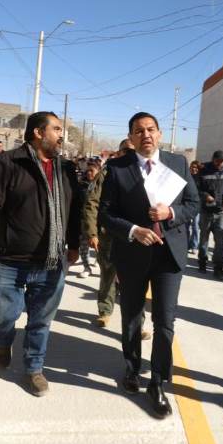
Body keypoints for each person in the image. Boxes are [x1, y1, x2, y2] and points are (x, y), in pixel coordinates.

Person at [0, 111, 81, 397]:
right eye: (56, 129)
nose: (61, 135)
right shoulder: (8, 162)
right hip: (10, 260)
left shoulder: (66, 169)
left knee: (40, 321)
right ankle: (4, 339)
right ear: (38, 132)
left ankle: (34, 368)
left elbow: (74, 209)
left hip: (51, 262)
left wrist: (74, 244)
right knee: (2, 315)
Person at [99, 111, 199, 418]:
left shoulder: (178, 163)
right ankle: (132, 368)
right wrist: (133, 230)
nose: (146, 135)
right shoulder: (117, 168)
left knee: (165, 321)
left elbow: (193, 203)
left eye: (151, 129)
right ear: (131, 137)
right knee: (132, 316)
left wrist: (171, 213)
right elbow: (106, 214)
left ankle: (157, 382)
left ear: (159, 134)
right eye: (139, 131)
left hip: (169, 255)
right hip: (133, 253)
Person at [81, 138, 150, 337]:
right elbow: (92, 202)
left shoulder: (145, 172)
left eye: (132, 151)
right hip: (110, 235)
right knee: (108, 275)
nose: (129, 154)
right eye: (125, 151)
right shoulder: (107, 171)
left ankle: (138, 324)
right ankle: (105, 311)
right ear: (118, 153)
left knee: (135, 282)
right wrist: (92, 232)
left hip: (137, 236)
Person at [197, 150, 223, 278]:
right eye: (217, 161)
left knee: (221, 241)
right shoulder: (204, 170)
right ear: (213, 159)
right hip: (206, 212)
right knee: (204, 239)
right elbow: (197, 189)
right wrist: (206, 196)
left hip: (220, 212)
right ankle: (202, 261)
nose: (219, 164)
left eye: (222, 161)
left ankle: (218, 266)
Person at [77, 159, 101, 278]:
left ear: (99, 171)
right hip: (84, 221)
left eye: (92, 170)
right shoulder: (81, 185)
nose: (89, 173)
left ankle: (100, 262)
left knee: (99, 247)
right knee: (83, 247)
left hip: (99, 222)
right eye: (87, 171)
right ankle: (86, 267)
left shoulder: (104, 186)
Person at [187, 160, 201, 252]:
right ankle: (186, 244)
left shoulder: (200, 178)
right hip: (186, 205)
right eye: (192, 167)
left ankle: (194, 246)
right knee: (186, 226)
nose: (194, 169)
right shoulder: (186, 176)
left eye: (196, 167)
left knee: (195, 225)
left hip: (196, 206)